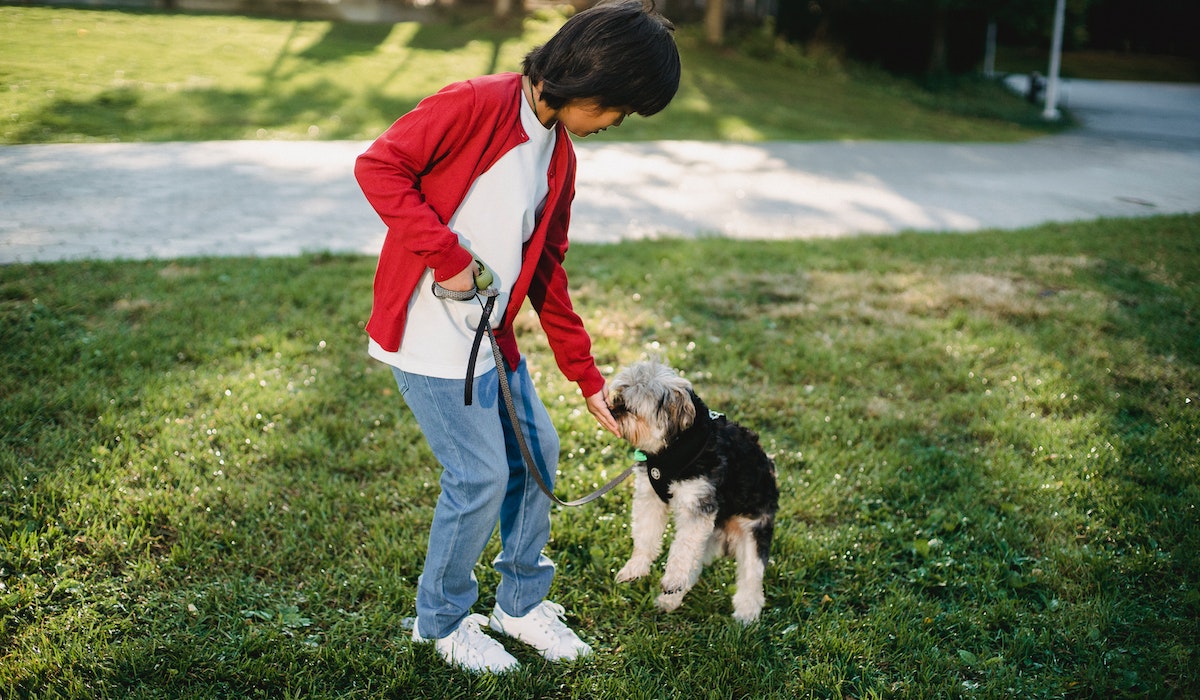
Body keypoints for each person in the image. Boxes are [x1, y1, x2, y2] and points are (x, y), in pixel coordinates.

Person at [354, 0, 680, 674]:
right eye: (620, 108)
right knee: (476, 477)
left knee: (536, 455)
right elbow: (379, 166)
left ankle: (520, 605)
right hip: (428, 336)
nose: (617, 123)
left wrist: (587, 377)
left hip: (489, 339)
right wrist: (448, 258)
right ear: (589, 82)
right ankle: (439, 621)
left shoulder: (559, 153)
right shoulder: (475, 104)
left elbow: (547, 272)